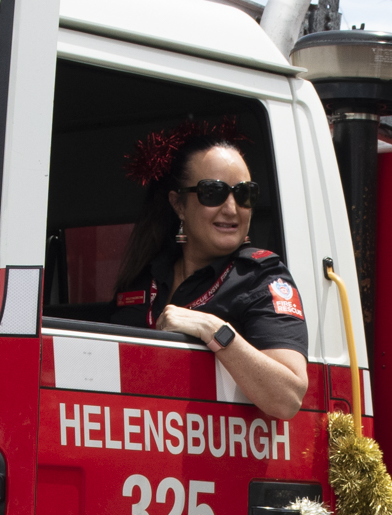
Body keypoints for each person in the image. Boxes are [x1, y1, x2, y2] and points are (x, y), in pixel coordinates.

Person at [113, 121, 311, 418]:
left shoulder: (261, 279)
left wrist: (213, 330)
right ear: (179, 204)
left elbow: (288, 398)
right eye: (213, 192)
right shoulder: (145, 276)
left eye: (244, 194)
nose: (231, 208)